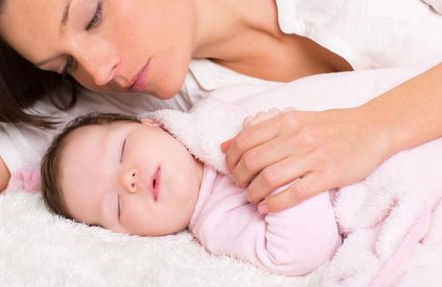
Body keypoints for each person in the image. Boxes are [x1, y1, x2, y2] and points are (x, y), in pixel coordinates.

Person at [0, 0, 442, 216]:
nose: (98, 69)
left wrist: (373, 128)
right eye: (65, 64)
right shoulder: (132, 106)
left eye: (92, 17)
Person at [40, 112, 341, 276]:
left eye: (122, 150)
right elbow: (302, 252)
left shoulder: (215, 111)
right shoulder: (218, 222)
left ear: (152, 123)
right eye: (116, 206)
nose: (127, 179)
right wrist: (277, 167)